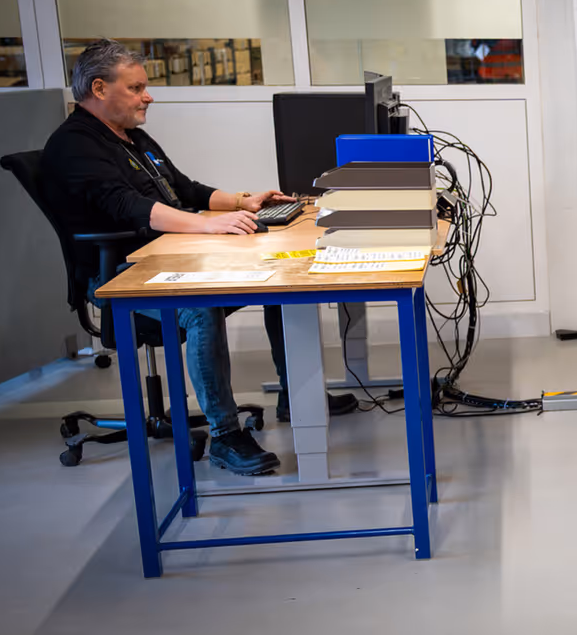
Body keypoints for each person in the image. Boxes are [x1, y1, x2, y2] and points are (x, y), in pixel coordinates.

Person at [42, 39, 357, 476]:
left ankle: (296, 396)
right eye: (136, 88)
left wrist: (241, 201)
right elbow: (128, 208)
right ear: (99, 88)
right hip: (119, 276)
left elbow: (182, 188)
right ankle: (226, 436)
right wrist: (208, 225)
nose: (147, 96)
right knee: (199, 304)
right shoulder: (74, 145)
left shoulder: (130, 136)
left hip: (170, 254)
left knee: (279, 278)